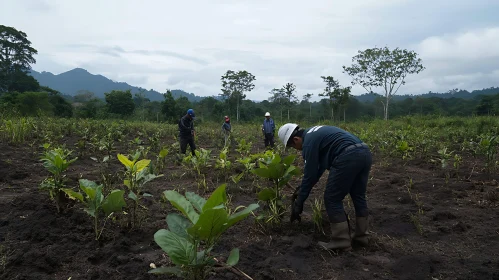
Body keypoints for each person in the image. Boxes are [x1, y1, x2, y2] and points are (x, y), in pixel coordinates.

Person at [278, 123, 372, 251]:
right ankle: (362, 237)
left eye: (293, 147)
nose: (297, 150)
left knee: (332, 199)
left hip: (347, 156)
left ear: (296, 139)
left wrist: (299, 202)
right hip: (364, 152)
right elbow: (319, 170)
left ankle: (341, 241)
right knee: (358, 195)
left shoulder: (308, 144)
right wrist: (302, 189)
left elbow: (309, 175)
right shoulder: (314, 133)